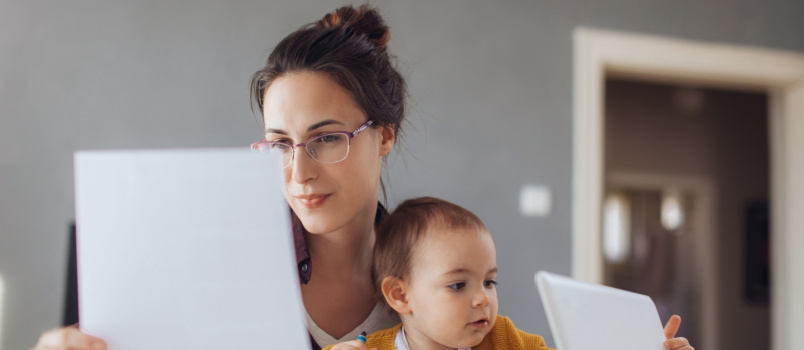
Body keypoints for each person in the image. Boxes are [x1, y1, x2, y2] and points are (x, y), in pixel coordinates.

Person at [32, 4, 692, 350]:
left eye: (325, 140)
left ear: (383, 136)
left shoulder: (442, 281)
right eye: (280, 144)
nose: (296, 173)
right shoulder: (207, 271)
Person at [324, 197, 694, 350]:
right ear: (401, 296)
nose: (483, 297)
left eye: (489, 281)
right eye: (458, 285)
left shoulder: (505, 340)